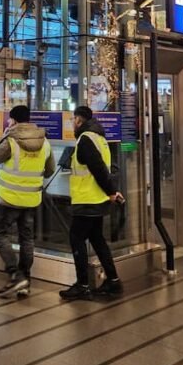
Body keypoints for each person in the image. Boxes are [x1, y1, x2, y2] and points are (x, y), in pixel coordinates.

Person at [0, 105, 55, 299]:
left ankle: (15, 275)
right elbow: (49, 171)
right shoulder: (45, 142)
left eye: (10, 120)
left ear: (14, 121)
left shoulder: (11, 142)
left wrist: (2, 136)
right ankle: (26, 282)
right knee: (27, 239)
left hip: (8, 199)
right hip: (32, 199)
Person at [59, 106, 124, 301]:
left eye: (73, 120)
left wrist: (112, 192)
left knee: (76, 238)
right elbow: (106, 169)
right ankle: (113, 281)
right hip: (96, 199)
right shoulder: (100, 138)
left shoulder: (86, 139)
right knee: (97, 239)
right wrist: (111, 191)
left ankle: (82, 284)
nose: (72, 123)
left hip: (87, 201)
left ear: (79, 120)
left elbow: (97, 169)